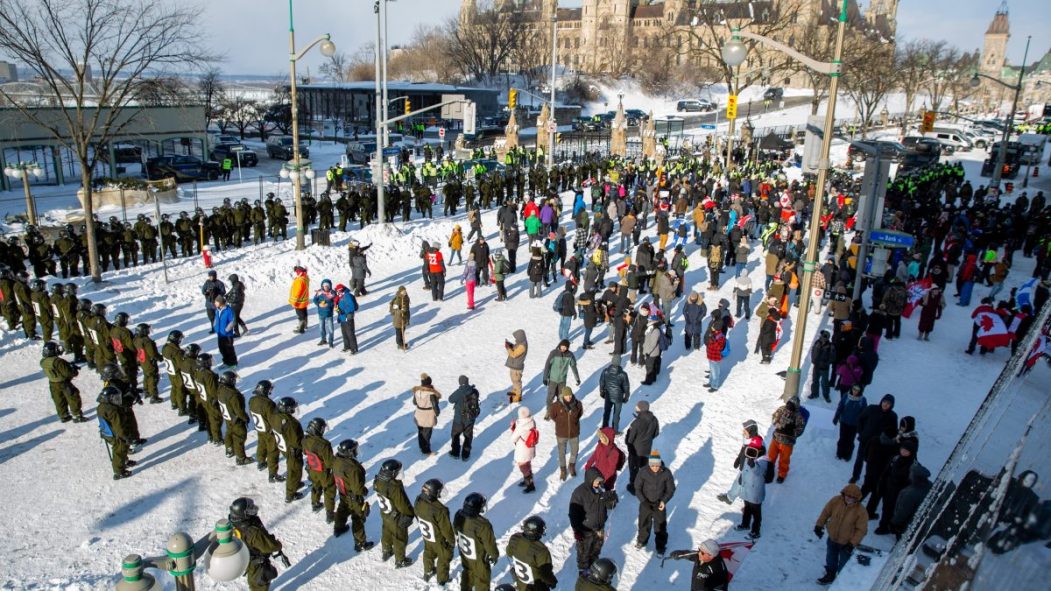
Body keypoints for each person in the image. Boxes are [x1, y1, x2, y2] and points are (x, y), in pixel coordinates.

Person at [814, 484, 868, 585]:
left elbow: (861, 530)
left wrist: (852, 544)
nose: (849, 498)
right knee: (830, 558)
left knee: (844, 562)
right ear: (843, 494)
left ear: (857, 498)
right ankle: (830, 574)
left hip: (846, 543)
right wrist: (819, 525)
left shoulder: (861, 511)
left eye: (852, 497)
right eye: (847, 495)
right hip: (832, 538)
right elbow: (826, 512)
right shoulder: (835, 501)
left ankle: (842, 581)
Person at [569, 468, 618, 576]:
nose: (598, 483)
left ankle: (594, 566)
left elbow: (609, 505)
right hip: (585, 529)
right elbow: (574, 514)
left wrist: (612, 499)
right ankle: (583, 571)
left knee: (596, 549)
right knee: (583, 552)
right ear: (590, 479)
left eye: (600, 480)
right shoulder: (579, 493)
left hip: (600, 528)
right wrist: (577, 529)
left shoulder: (601, 489)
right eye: (596, 480)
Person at [228, 498, 285, 591]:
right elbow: (270, 547)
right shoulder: (253, 532)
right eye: (249, 509)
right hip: (256, 564)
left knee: (253, 581)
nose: (253, 509)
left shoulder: (234, 521)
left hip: (245, 556)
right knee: (258, 585)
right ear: (243, 514)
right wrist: (278, 544)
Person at [717, 438, 769, 540]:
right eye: (751, 448)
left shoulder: (763, 460)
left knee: (756, 514)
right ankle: (745, 524)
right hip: (747, 491)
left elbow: (758, 472)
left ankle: (756, 531)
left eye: (754, 448)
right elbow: (744, 471)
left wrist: (753, 464)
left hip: (755, 494)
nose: (751, 450)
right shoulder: (749, 455)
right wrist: (741, 480)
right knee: (747, 510)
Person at [331, 439, 375, 549]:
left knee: (343, 508)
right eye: (355, 450)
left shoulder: (336, 460)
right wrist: (364, 491)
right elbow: (357, 488)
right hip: (353, 495)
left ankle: (339, 528)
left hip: (342, 490)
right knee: (358, 517)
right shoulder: (353, 468)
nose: (356, 452)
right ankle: (360, 543)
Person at [454, 493, 500, 591]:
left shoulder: (458, 515)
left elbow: (456, 529)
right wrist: (494, 555)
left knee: (467, 571)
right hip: (478, 557)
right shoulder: (483, 525)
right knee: (482, 578)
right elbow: (489, 544)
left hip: (464, 553)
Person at [374, 459, 415, 568]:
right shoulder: (394, 487)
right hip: (396, 516)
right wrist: (409, 514)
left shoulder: (378, 480)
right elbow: (402, 504)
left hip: (385, 513)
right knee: (399, 538)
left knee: (386, 531)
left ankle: (386, 550)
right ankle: (400, 560)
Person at [415, 478, 454, 585]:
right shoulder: (440, 510)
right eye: (439, 491)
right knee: (444, 557)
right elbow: (446, 529)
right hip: (438, 538)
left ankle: (428, 571)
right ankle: (442, 580)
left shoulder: (418, 500)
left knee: (428, 552)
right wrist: (451, 541)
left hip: (427, 535)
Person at [635, 451, 676, 554]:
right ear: (649, 464)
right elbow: (637, 488)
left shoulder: (666, 472)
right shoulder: (643, 472)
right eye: (653, 465)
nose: (655, 467)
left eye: (657, 465)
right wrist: (643, 501)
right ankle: (642, 541)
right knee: (643, 523)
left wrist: (663, 501)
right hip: (645, 503)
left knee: (660, 526)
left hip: (659, 504)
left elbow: (670, 489)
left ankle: (660, 546)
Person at [506, 515, 558, 591]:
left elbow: (509, 553)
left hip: (521, 583)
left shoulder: (515, 538)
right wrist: (553, 581)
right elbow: (545, 574)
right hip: (536, 587)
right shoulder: (541, 550)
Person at [40, 340, 85, 422]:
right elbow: (68, 373)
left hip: (53, 384)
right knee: (73, 397)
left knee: (59, 400)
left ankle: (63, 415)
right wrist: (73, 370)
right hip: (63, 383)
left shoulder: (43, 362)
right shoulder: (58, 361)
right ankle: (77, 415)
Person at [303, 417, 337, 522]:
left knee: (315, 486)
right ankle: (330, 514)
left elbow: (305, 452)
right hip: (323, 471)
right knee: (329, 490)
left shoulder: (305, 440)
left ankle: (315, 503)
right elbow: (330, 462)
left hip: (312, 468)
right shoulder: (324, 444)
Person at [273, 396, 306, 503]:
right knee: (294, 471)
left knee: (294, 470)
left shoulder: (275, 416)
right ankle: (290, 494)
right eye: (292, 408)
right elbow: (296, 441)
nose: (293, 409)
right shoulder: (291, 423)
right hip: (292, 450)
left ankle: (295, 484)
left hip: (283, 447)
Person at [249, 380, 283, 483]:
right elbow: (273, 419)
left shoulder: (252, 400)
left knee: (261, 444)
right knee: (273, 451)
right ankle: (272, 474)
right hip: (269, 431)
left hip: (260, 428)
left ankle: (261, 461)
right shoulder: (269, 404)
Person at [96, 386, 133, 479]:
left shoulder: (101, 406)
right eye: (115, 398)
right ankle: (119, 471)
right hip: (115, 434)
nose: (117, 400)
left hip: (106, 432)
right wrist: (124, 436)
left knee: (121, 449)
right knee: (120, 450)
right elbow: (118, 425)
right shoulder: (112, 410)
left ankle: (124, 461)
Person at [216, 371, 251, 465]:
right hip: (236, 419)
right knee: (240, 437)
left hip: (227, 417)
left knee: (229, 432)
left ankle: (229, 449)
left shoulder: (220, 388)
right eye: (234, 379)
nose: (235, 381)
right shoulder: (233, 394)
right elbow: (239, 411)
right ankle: (241, 458)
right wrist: (245, 418)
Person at [767, 397, 806, 483]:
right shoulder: (782, 409)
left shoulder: (799, 417)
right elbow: (774, 419)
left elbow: (800, 430)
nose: (788, 409)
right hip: (776, 438)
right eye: (788, 405)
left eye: (791, 407)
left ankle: (782, 474)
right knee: (771, 456)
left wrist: (792, 431)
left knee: (784, 459)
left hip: (787, 442)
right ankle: (769, 470)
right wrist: (779, 426)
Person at [665, 539, 730, 591]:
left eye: (702, 552)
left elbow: (720, 588)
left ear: (711, 555)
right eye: (699, 550)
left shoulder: (718, 570)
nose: (699, 553)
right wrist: (680, 554)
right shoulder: (702, 556)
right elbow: (690, 555)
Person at [625, 400, 659, 495]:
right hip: (647, 448)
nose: (636, 407)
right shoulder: (654, 419)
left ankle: (634, 487)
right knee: (644, 468)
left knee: (634, 469)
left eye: (637, 406)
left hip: (635, 451)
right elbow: (656, 433)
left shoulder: (636, 423)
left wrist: (628, 441)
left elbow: (630, 439)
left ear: (641, 409)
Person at [550, 386, 583, 481]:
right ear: (563, 396)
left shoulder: (578, 404)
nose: (568, 397)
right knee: (561, 453)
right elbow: (553, 416)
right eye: (566, 395)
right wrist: (560, 422)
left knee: (575, 451)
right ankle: (563, 470)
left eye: (570, 395)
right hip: (561, 433)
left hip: (574, 432)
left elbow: (579, 414)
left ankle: (571, 466)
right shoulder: (556, 405)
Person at [543, 339, 581, 415]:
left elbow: (573, 367)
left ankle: (559, 409)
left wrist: (577, 378)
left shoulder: (570, 355)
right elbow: (547, 365)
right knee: (550, 396)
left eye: (565, 347)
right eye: (562, 346)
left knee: (561, 397)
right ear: (559, 345)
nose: (563, 348)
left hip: (562, 380)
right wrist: (545, 377)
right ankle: (549, 411)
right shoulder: (554, 353)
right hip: (553, 379)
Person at [448, 375, 479, 460]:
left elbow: (450, 399)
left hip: (459, 419)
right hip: (470, 419)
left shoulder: (459, 391)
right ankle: (466, 455)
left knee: (455, 435)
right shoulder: (474, 391)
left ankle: (455, 453)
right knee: (468, 436)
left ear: (460, 383)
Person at [833, 385, 867, 461]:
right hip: (844, 421)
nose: (855, 391)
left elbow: (864, 414)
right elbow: (840, 407)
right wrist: (836, 416)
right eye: (854, 389)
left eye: (857, 390)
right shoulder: (846, 396)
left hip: (854, 425)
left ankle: (847, 455)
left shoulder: (862, 400)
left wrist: (861, 425)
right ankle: (839, 453)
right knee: (842, 438)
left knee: (850, 440)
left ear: (860, 391)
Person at [511, 406, 539, 493]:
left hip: (522, 450)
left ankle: (530, 485)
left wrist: (513, 427)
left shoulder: (520, 426)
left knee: (523, 467)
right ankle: (527, 480)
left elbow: (513, 439)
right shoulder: (531, 421)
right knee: (528, 464)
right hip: (530, 448)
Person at [132, 324, 162, 404]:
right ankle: (154, 396)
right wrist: (160, 358)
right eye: (147, 330)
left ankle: (146, 391)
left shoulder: (136, 339)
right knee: (153, 378)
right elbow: (152, 354)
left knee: (146, 375)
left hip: (143, 361)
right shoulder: (147, 341)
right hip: (149, 362)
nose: (149, 331)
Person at [599, 357, 630, 433]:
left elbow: (601, 382)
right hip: (618, 397)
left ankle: (604, 428)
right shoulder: (623, 374)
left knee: (607, 412)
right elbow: (626, 386)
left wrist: (602, 392)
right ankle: (615, 430)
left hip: (608, 395)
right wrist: (626, 397)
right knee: (616, 414)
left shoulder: (605, 371)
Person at [412, 373, 441, 456]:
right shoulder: (431, 394)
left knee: (420, 431)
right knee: (427, 434)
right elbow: (435, 406)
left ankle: (421, 446)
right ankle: (426, 450)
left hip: (418, 414)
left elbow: (414, 402)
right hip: (428, 415)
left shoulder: (417, 392)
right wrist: (437, 413)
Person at [809, 330, 834, 402]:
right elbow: (813, 351)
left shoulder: (830, 346)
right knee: (815, 381)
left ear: (827, 337)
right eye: (822, 335)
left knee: (825, 383)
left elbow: (833, 357)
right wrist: (813, 360)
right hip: (816, 366)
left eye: (824, 336)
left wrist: (826, 363)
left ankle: (826, 396)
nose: (821, 337)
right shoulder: (817, 342)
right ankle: (814, 393)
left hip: (824, 368)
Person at [213, 295, 237, 368]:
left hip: (227, 335)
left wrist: (226, 330)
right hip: (220, 334)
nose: (215, 303)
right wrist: (215, 326)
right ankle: (226, 362)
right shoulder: (217, 310)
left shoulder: (228, 310)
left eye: (216, 302)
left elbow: (233, 321)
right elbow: (216, 319)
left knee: (229, 349)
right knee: (222, 349)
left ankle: (233, 363)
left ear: (220, 302)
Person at [504, 329, 528, 403]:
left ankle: (518, 396)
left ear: (520, 337)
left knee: (517, 381)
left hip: (517, 367)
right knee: (514, 380)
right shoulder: (520, 343)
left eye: (516, 338)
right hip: (514, 366)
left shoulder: (522, 346)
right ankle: (515, 391)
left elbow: (514, 354)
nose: (515, 339)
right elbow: (515, 348)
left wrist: (508, 348)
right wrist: (511, 345)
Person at [334, 284, 359, 354]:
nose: (338, 292)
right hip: (342, 318)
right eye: (337, 291)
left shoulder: (347, 295)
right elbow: (340, 307)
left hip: (348, 317)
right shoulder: (339, 297)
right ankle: (347, 346)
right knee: (344, 333)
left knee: (350, 333)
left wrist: (343, 311)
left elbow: (352, 306)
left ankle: (354, 349)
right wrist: (338, 311)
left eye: (339, 291)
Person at [312, 278, 336, 348]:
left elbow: (335, 302)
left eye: (327, 285)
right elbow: (314, 300)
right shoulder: (319, 292)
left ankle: (331, 342)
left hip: (329, 314)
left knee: (331, 329)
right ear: (322, 286)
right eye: (324, 285)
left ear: (330, 286)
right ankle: (323, 339)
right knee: (321, 328)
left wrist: (328, 305)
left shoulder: (332, 293)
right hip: (321, 313)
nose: (326, 287)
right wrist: (319, 304)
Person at [703, 323, 727, 392]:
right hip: (711, 356)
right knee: (711, 371)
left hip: (715, 358)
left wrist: (714, 340)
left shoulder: (721, 337)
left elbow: (720, 347)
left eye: (713, 327)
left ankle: (715, 386)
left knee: (715, 372)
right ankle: (710, 383)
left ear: (717, 328)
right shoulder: (713, 333)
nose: (712, 327)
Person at [388, 285, 411, 350]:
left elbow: (407, 307)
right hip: (398, 319)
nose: (405, 292)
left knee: (402, 331)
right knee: (399, 332)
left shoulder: (406, 297)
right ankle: (400, 344)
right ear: (400, 291)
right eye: (403, 291)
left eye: (405, 290)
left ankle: (402, 342)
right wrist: (401, 311)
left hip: (404, 318)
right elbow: (394, 310)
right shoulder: (397, 300)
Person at [288, 266, 310, 334]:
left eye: (297, 272)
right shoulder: (305, 277)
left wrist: (294, 302)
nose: (296, 274)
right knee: (304, 313)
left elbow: (297, 292)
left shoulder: (299, 280)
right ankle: (305, 325)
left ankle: (301, 329)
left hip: (299, 302)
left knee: (300, 315)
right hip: (304, 300)